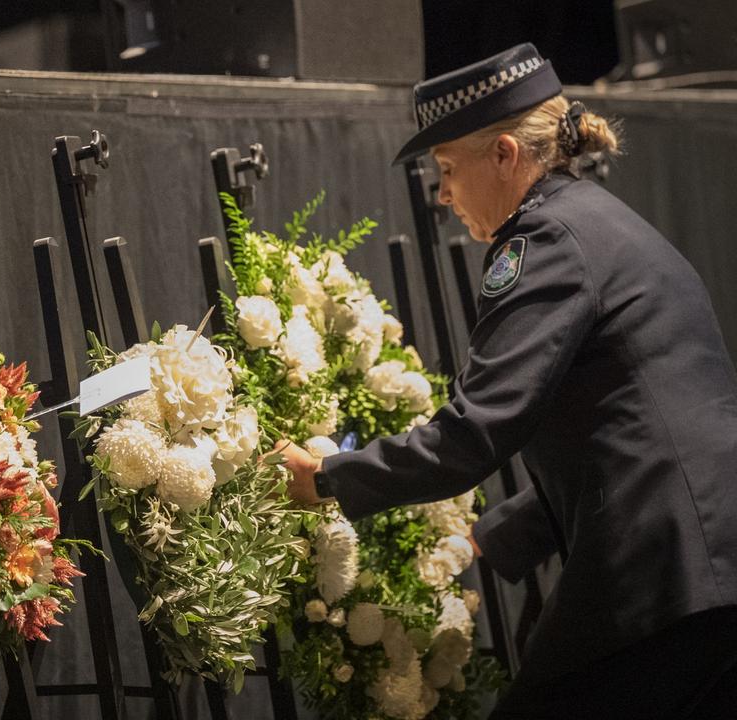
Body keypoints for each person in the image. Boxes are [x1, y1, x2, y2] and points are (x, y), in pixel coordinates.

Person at [278, 43, 737, 719]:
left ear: (503, 155)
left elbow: (476, 431)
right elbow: (629, 428)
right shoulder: (598, 222)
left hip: (667, 576)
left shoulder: (545, 241)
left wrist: (328, 477)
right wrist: (483, 540)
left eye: (446, 169)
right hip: (706, 564)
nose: (442, 196)